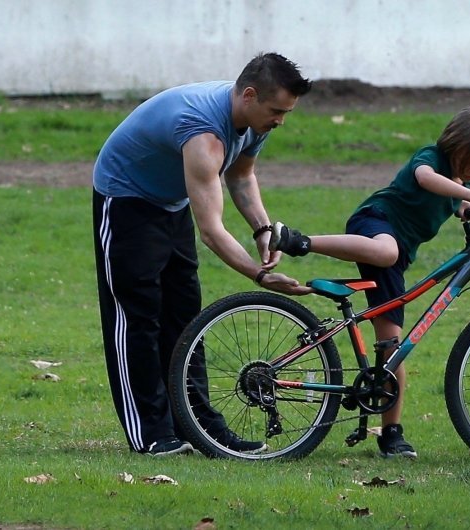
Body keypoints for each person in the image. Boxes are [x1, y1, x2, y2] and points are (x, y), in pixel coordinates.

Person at [92, 52, 313, 456]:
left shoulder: (253, 120)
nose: (282, 120)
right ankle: (151, 434)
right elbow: (211, 231)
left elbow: (242, 175)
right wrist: (259, 275)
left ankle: (197, 426)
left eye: (287, 112)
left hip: (171, 202)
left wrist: (262, 228)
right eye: (277, 110)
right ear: (249, 95)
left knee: (184, 317)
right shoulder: (202, 133)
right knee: (138, 316)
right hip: (126, 201)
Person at [269, 106, 470, 458]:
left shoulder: (464, 183)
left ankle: (391, 434)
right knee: (387, 251)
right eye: (469, 160)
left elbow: (453, 201)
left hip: (393, 257)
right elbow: (425, 179)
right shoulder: (431, 157)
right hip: (375, 222)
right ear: (452, 146)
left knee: (393, 349)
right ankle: (301, 241)